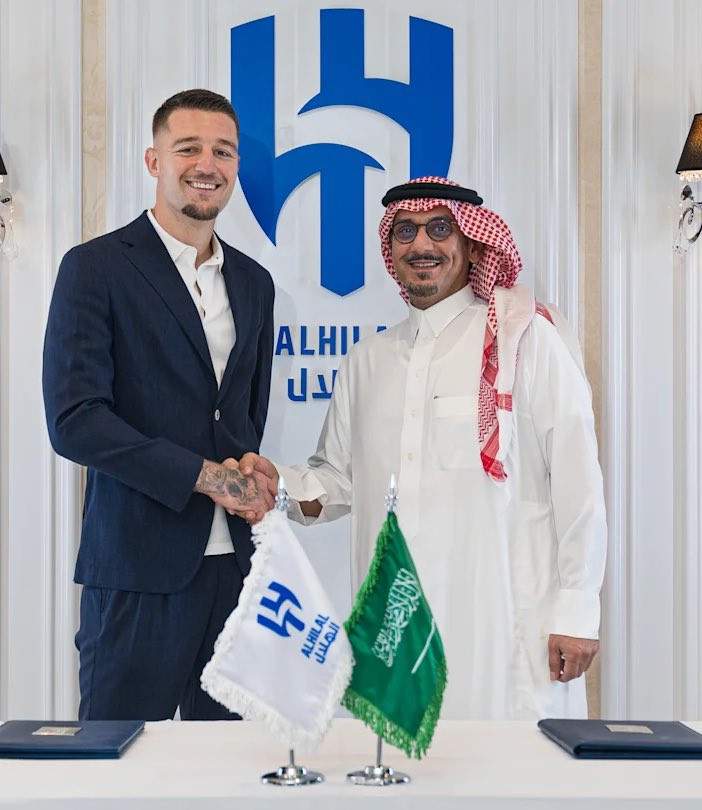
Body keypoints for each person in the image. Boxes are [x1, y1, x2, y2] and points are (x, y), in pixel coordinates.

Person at [239, 176, 607, 720]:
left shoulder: (526, 340)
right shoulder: (367, 360)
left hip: (503, 628)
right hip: (397, 631)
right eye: (405, 231)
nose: (421, 245)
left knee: (509, 762)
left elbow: (578, 481)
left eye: (439, 228)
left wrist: (577, 610)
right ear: (390, 249)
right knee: (400, 763)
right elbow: (337, 480)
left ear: (472, 244)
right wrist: (278, 486)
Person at [43, 89, 275, 721]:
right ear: (154, 161)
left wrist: (250, 471)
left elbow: (245, 417)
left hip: (238, 573)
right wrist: (205, 477)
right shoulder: (95, 268)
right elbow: (75, 421)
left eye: (223, 151)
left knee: (232, 764)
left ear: (236, 166)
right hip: (136, 568)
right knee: (118, 758)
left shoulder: (255, 282)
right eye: (188, 148)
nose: (207, 164)